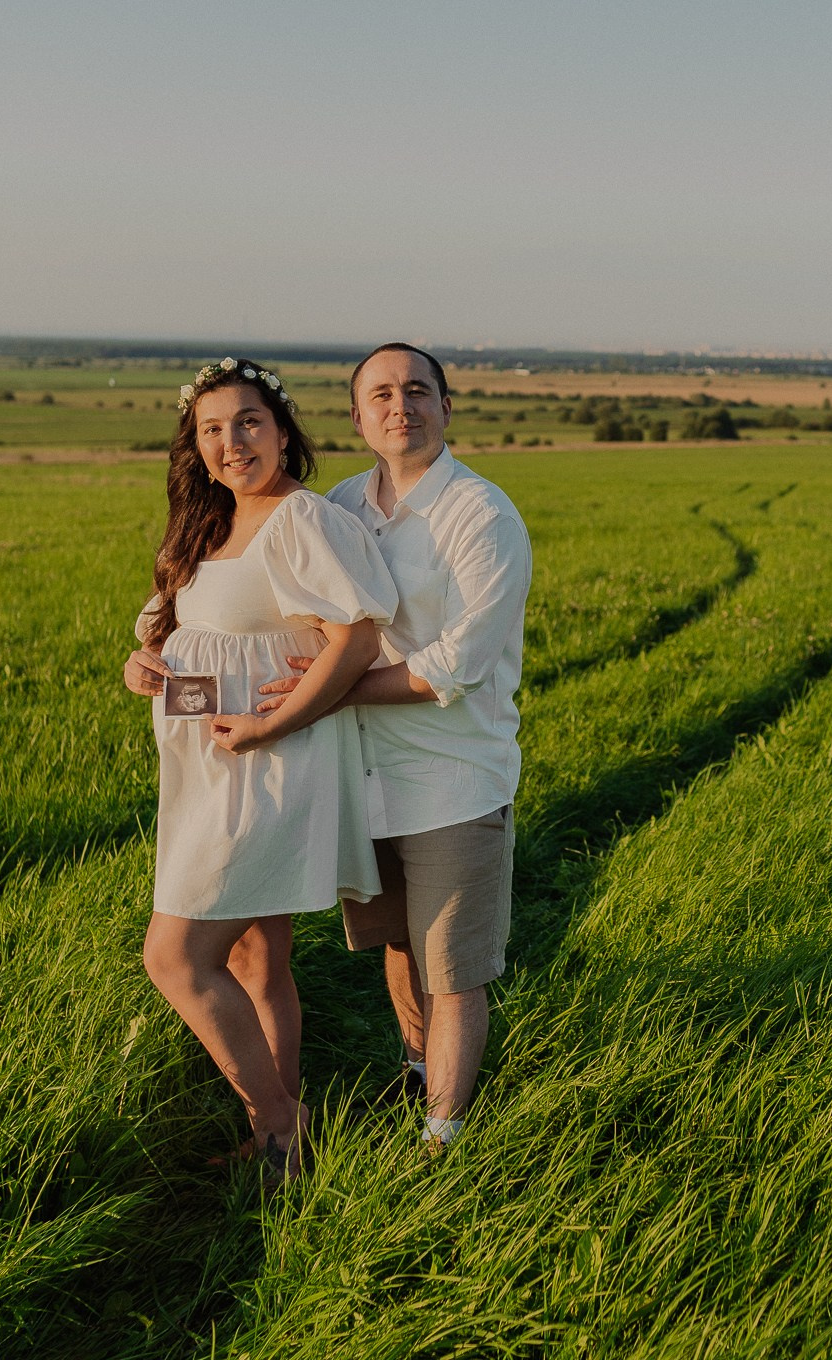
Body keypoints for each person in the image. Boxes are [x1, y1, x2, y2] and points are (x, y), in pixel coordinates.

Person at [121, 357, 397, 1180]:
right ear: (195, 445)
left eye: (248, 422)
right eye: (212, 429)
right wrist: (142, 663)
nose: (232, 442)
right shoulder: (202, 529)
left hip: (269, 768)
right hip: (206, 771)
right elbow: (181, 637)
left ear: (282, 431)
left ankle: (280, 1120)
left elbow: (358, 636)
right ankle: (280, 1145)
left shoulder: (300, 521)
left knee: (173, 956)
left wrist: (274, 720)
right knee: (253, 959)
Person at [259, 343, 530, 1156]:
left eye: (417, 390)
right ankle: (417, 1070)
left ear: (447, 408)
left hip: (453, 779)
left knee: (454, 968)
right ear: (357, 417)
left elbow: (458, 663)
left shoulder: (482, 515)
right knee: (399, 945)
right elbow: (279, 613)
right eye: (380, 394)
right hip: (364, 776)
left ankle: (442, 1140)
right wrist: (160, 649)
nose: (399, 405)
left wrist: (326, 693)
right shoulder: (340, 506)